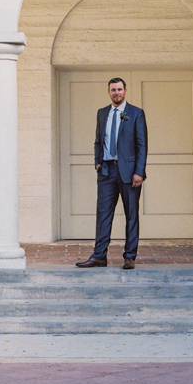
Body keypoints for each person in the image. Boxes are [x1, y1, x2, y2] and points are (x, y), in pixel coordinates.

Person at [76, 77, 148, 269]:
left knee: (131, 214)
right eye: (113, 90)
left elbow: (142, 145)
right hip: (107, 171)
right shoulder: (102, 113)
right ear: (109, 92)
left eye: (119, 89)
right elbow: (98, 141)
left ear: (125, 91)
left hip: (129, 173)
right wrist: (98, 164)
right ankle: (99, 255)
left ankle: (130, 256)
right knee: (103, 214)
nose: (116, 93)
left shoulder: (135, 113)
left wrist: (139, 172)